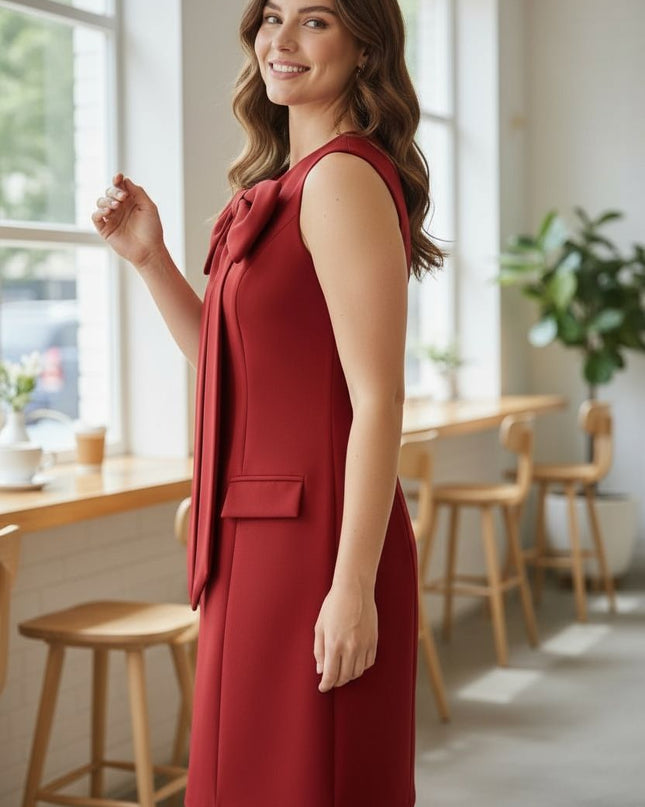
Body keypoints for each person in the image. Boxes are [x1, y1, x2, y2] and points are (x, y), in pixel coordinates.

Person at [91, 0, 443, 804]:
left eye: (314, 21)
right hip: (251, 539)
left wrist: (351, 583)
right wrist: (152, 262)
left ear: (364, 47)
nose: (280, 40)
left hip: (317, 544)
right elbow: (230, 367)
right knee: (247, 776)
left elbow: (378, 397)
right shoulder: (280, 186)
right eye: (270, 17)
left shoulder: (342, 178)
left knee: (304, 779)